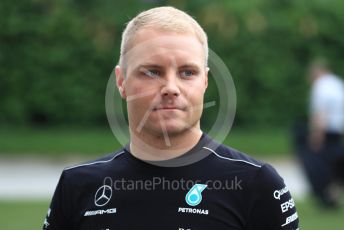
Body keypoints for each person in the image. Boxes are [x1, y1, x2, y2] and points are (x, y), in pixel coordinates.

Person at [43, 6, 299, 229]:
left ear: (205, 82)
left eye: (187, 72)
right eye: (152, 72)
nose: (171, 87)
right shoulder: (77, 185)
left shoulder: (256, 184)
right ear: (121, 82)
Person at [294, 59, 344, 207]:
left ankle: (325, 195)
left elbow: (321, 112)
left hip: (326, 132)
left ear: (315, 72)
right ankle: (334, 192)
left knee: (318, 165)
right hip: (338, 132)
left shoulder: (320, 86)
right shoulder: (337, 83)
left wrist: (317, 135)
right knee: (337, 165)